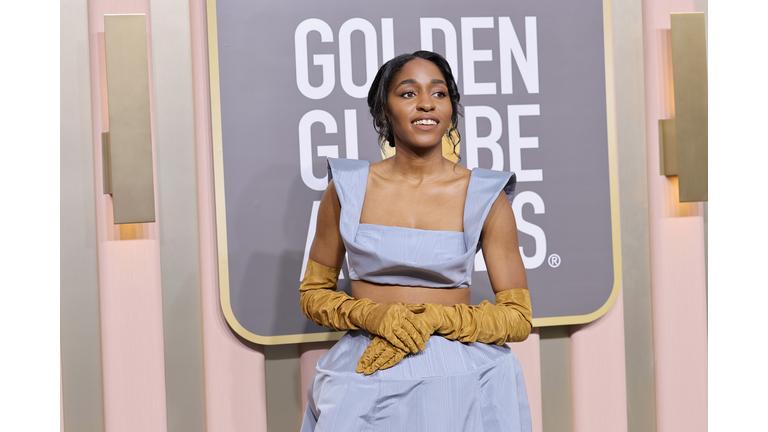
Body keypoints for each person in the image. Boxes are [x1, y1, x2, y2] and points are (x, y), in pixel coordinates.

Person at [298, 50, 533, 431]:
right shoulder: (346, 187)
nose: (426, 103)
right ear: (383, 111)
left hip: (465, 378)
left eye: (439, 94)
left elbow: (518, 317)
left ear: (451, 108)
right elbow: (313, 293)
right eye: (408, 93)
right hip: (365, 371)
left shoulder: (485, 194)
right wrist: (372, 314)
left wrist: (435, 318)